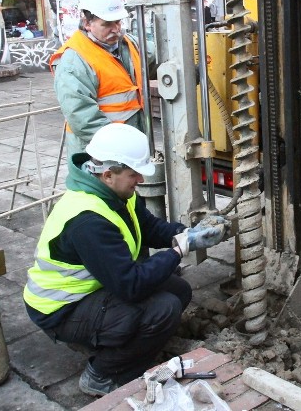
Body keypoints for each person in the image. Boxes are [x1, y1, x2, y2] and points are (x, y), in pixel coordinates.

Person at [23, 123, 226, 397]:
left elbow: (150, 228)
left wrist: (188, 233)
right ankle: (101, 374)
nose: (139, 181)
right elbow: (130, 285)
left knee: (179, 290)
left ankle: (116, 343)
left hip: (92, 290)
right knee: (163, 309)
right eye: (134, 174)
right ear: (108, 174)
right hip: (60, 309)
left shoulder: (116, 193)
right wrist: (180, 249)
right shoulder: (87, 220)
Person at [50, 0, 146, 158]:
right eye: (107, 24)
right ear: (87, 22)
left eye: (118, 22)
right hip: (98, 153)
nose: (115, 29)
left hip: (128, 145)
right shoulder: (74, 61)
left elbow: (156, 57)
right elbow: (82, 117)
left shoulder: (128, 44)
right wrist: (117, 148)